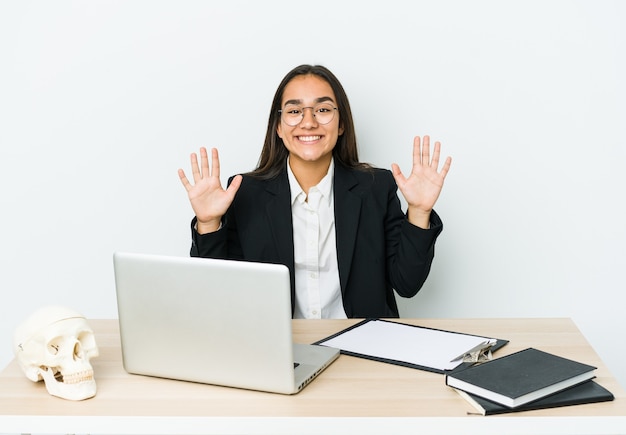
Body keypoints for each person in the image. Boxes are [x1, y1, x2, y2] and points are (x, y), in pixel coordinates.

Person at [178, 64, 451, 319]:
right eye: (295, 111)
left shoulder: (375, 188)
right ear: (279, 127)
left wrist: (418, 211)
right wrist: (209, 223)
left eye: (322, 110)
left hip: (362, 348)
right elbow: (217, 294)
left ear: (341, 124)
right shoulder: (246, 193)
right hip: (278, 349)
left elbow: (407, 283)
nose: (308, 122)